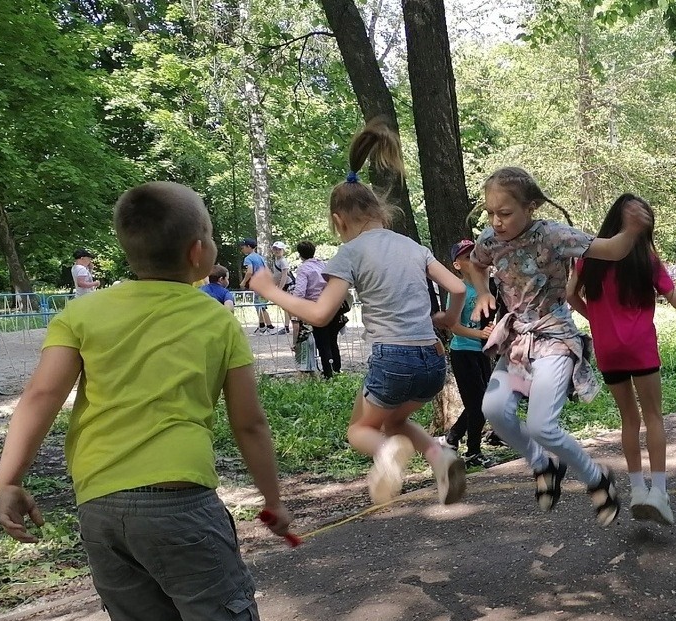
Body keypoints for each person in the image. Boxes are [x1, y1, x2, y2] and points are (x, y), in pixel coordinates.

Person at [0, 181, 311, 621]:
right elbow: (249, 424)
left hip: (101, 508)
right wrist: (272, 498)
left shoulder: (84, 313)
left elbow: (40, 397)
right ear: (199, 253)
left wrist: (10, 477)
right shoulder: (213, 317)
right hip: (180, 504)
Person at [249, 119, 468, 507]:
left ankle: (386, 454)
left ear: (338, 221)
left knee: (359, 430)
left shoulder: (351, 252)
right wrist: (450, 320)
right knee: (397, 420)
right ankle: (440, 456)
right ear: (382, 212)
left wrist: (268, 290)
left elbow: (319, 314)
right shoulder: (412, 246)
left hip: (392, 359)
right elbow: (457, 287)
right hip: (433, 362)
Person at [464, 166, 650, 528]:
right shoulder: (490, 240)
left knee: (541, 425)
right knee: (495, 409)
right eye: (490, 213)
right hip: (519, 341)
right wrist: (483, 291)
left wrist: (630, 231)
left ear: (530, 207)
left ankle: (596, 477)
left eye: (505, 213)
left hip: (554, 339)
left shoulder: (553, 235)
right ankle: (542, 464)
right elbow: (474, 263)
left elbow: (611, 250)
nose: (496, 221)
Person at [569, 194, 676, 525]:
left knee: (629, 420)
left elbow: (568, 294)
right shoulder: (646, 258)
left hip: (608, 349)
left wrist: (596, 319)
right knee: (653, 417)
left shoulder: (590, 255)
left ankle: (637, 490)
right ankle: (659, 494)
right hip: (640, 346)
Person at [443, 239, 495, 468]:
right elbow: (453, 326)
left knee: (480, 401)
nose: (473, 260)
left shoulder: (490, 286)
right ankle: (473, 451)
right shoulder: (459, 290)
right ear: (457, 265)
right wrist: (480, 335)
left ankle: (453, 438)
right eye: (466, 257)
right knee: (480, 402)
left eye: (475, 254)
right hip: (463, 352)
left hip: (483, 353)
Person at [291, 241, 342, 379]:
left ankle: (328, 374)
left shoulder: (303, 269)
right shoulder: (323, 265)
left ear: (300, 254)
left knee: (322, 342)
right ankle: (336, 370)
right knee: (332, 341)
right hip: (332, 305)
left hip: (316, 308)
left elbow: (300, 292)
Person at [239, 239, 276, 334]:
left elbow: (249, 272)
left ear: (248, 247)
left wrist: (243, 282)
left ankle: (270, 327)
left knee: (261, 306)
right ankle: (262, 326)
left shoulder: (248, 259)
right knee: (258, 305)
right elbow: (267, 270)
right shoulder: (260, 257)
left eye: (243, 247)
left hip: (257, 285)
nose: (242, 249)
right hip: (264, 284)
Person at [268, 241, 293, 334]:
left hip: (288, 286)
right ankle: (288, 326)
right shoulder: (276, 260)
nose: (277, 251)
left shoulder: (283, 261)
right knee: (286, 307)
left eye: (279, 249)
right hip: (283, 286)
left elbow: (284, 276)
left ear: (283, 250)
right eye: (275, 249)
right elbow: (276, 275)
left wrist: (279, 289)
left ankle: (290, 326)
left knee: (287, 307)